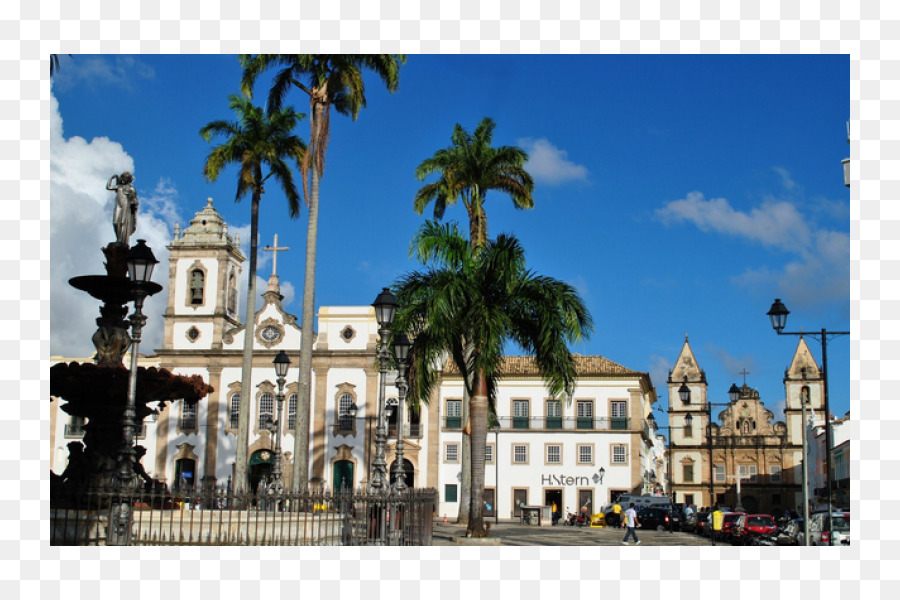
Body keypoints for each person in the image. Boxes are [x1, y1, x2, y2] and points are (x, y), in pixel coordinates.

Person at [108, 171, 139, 246]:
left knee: (123, 222)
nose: (123, 179)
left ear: (128, 179)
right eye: (123, 177)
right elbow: (108, 187)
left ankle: (121, 241)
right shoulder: (119, 186)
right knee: (115, 222)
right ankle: (118, 239)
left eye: (125, 178)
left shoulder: (131, 188)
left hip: (126, 205)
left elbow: (135, 200)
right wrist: (112, 178)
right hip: (118, 205)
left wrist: (134, 206)